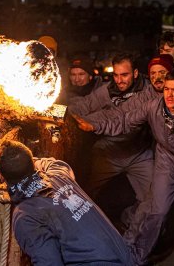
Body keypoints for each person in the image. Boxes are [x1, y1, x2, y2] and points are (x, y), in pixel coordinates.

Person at [74, 69, 174, 265]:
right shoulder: (153, 107)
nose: (169, 95)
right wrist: (95, 127)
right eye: (166, 89)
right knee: (157, 212)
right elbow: (124, 121)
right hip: (168, 164)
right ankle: (135, 257)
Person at [0, 139, 133, 265]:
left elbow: (50, 262)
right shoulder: (59, 175)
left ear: (0, 175)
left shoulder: (26, 215)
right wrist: (25, 162)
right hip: (126, 259)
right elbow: (51, 162)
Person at [68, 52, 154, 229]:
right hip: (110, 151)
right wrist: (60, 112)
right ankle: (80, 230)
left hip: (139, 153)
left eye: (125, 75)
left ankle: (128, 222)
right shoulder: (108, 90)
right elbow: (85, 105)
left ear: (135, 73)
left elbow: (123, 119)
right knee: (84, 191)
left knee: (154, 198)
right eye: (116, 75)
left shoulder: (149, 91)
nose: (119, 80)